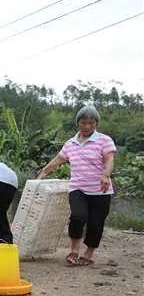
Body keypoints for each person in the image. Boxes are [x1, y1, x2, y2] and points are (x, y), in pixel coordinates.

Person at [38, 105, 116, 267]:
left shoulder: (104, 140)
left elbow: (109, 159)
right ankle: (73, 251)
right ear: (78, 123)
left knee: (96, 223)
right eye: (83, 123)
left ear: (96, 123)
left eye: (91, 123)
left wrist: (105, 175)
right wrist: (43, 173)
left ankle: (88, 254)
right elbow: (58, 160)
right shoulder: (71, 143)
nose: (87, 126)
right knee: (78, 216)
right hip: (78, 188)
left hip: (100, 191)